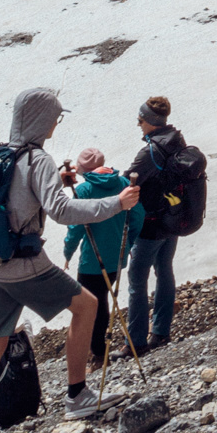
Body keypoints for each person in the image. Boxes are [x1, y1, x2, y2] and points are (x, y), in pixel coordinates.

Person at [0, 87, 139, 433]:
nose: (55, 126)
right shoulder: (38, 159)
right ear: (42, 119)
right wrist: (117, 204)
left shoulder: (1, 155)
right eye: (54, 119)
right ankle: (77, 395)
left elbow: (16, 199)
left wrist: (52, 186)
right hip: (25, 264)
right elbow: (62, 211)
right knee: (87, 305)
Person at [62, 145, 143, 369]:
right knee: (103, 301)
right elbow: (138, 215)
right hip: (117, 257)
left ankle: (99, 354)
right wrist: (129, 244)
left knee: (91, 306)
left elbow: (76, 227)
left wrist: (68, 252)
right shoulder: (125, 184)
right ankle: (100, 351)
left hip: (91, 261)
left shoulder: (86, 190)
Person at [125, 96, 190, 354]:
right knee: (164, 269)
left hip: (150, 223)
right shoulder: (176, 140)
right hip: (172, 218)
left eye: (140, 119)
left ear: (151, 121)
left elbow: (128, 180)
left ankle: (136, 341)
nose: (138, 123)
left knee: (136, 279)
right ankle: (161, 331)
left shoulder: (150, 151)